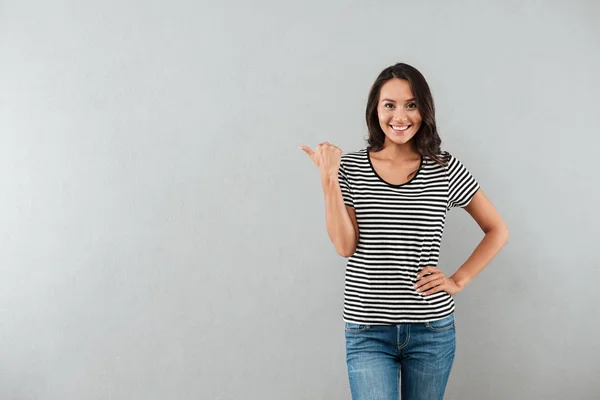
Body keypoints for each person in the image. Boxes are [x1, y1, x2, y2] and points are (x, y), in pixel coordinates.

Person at [300, 63, 509, 400]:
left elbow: (497, 229)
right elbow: (344, 245)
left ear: (424, 110)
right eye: (389, 105)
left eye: (411, 104)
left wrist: (458, 280)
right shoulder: (350, 167)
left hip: (431, 330)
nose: (400, 116)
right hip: (367, 331)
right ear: (375, 110)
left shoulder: (445, 168)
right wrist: (328, 179)